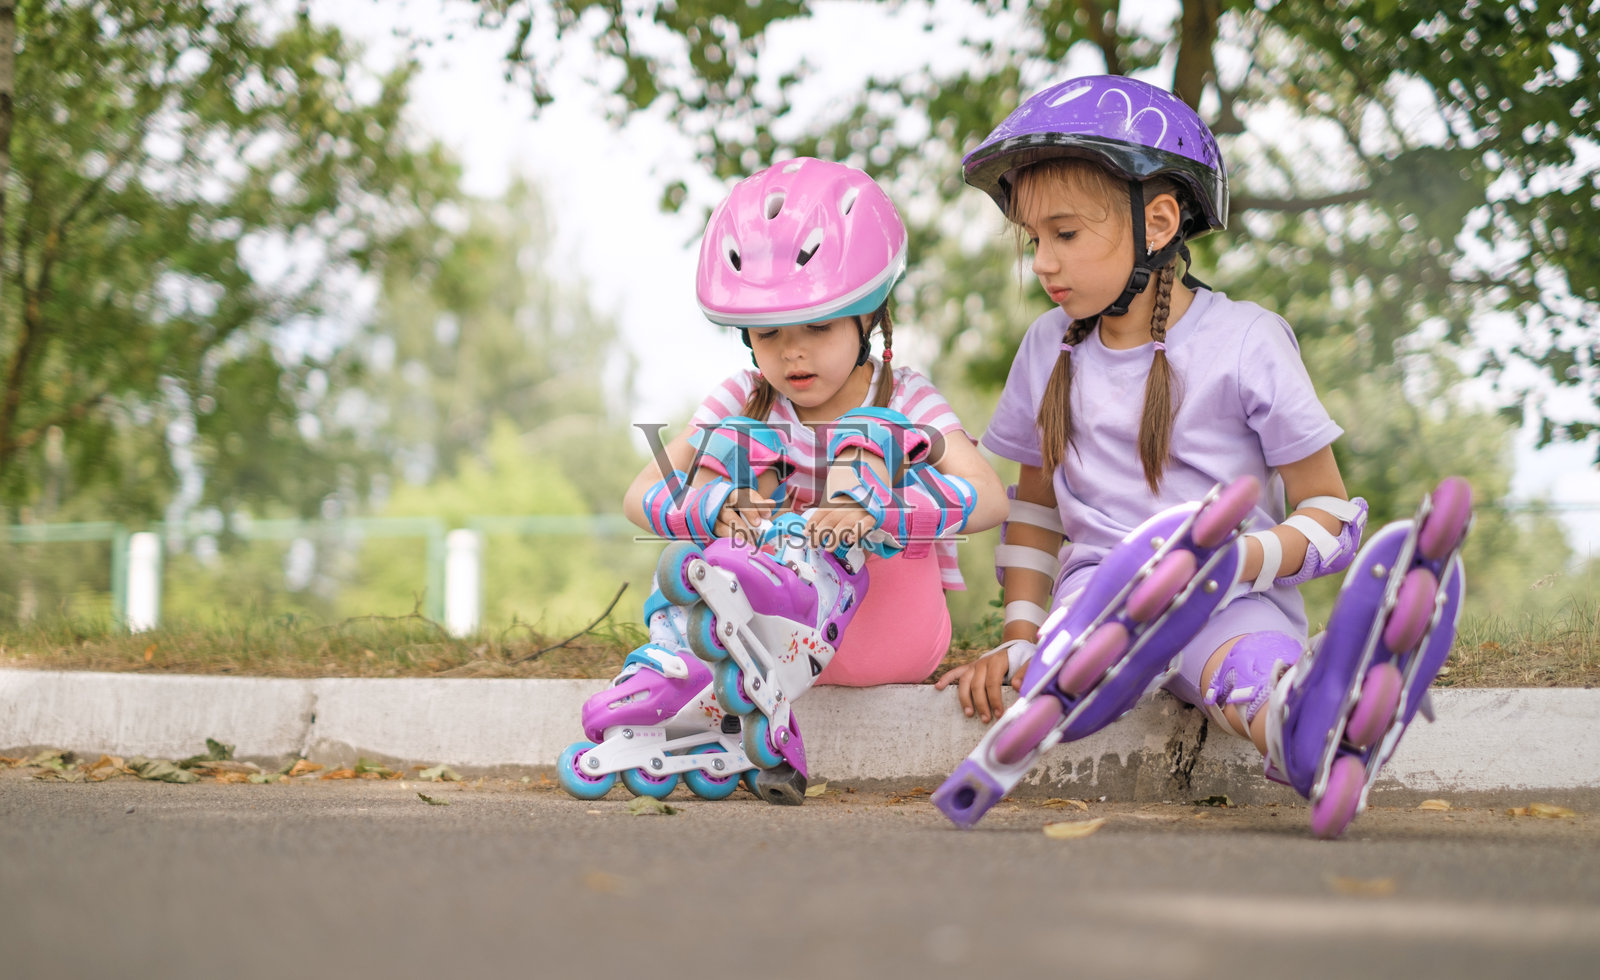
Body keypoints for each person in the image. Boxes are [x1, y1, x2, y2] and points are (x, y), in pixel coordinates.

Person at [931, 75, 1470, 839]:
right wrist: (1020, 637)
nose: (1043, 262)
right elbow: (1035, 511)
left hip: (1235, 593)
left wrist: (1233, 562)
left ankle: (1311, 725)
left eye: (1065, 234)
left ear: (1156, 222)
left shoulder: (1247, 340)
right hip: (1099, 595)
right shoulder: (1046, 347)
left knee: (1249, 673)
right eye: (1033, 240)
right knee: (1079, 639)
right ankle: (1078, 660)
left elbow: (1331, 515)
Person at [556, 157, 1007, 807]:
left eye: (818, 327)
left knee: (872, 433)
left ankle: (785, 582)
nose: (793, 352)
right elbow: (640, 495)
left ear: (868, 316)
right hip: (765, 631)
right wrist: (716, 507)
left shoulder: (905, 394)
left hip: (883, 623)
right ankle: (675, 656)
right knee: (735, 447)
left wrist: (877, 511)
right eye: (768, 333)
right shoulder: (745, 396)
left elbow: (989, 496)